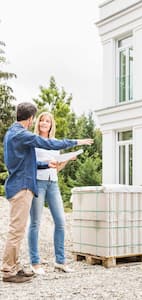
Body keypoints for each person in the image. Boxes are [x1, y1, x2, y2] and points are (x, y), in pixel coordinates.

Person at [1, 102, 93, 283]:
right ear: (31, 119)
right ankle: (8, 270)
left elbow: (26, 163)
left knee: (18, 230)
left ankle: (15, 266)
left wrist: (46, 164)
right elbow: (47, 143)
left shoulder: (13, 132)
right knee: (16, 230)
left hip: (23, 183)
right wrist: (76, 142)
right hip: (22, 186)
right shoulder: (22, 134)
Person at [28, 112, 77, 274]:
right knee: (35, 222)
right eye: (41, 120)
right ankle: (35, 263)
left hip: (53, 184)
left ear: (51, 124)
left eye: (47, 121)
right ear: (38, 123)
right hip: (38, 183)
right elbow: (31, 164)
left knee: (61, 222)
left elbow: (57, 168)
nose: (44, 123)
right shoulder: (33, 142)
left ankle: (60, 261)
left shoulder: (55, 143)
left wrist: (67, 160)